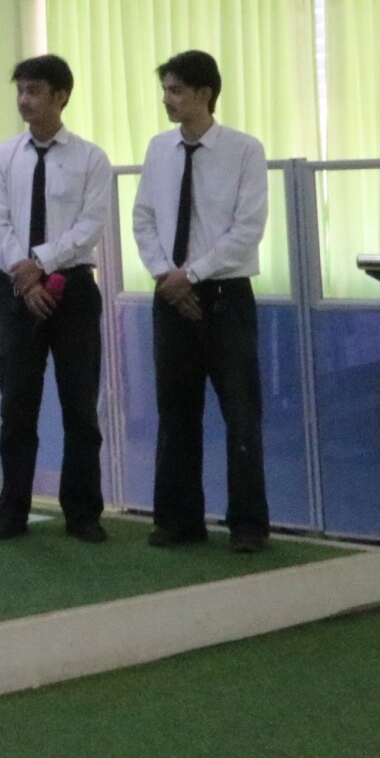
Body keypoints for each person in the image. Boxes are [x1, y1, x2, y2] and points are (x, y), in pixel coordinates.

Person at [131, 49, 271, 552]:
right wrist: (166, 276)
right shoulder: (158, 149)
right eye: (165, 90)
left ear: (205, 94)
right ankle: (177, 520)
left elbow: (247, 229)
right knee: (175, 412)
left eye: (176, 90)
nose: (167, 100)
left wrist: (190, 275)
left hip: (225, 295)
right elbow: (143, 219)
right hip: (170, 294)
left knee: (241, 414)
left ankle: (248, 525)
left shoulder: (244, 150)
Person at [0, 55, 114, 543]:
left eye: (34, 90)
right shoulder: (2, 158)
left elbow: (89, 226)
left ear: (61, 96)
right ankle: (12, 511)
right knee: (17, 407)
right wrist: (25, 274)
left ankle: (82, 513)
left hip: (72, 291)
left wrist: (41, 262)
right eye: (20, 90)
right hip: (18, 292)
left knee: (80, 408)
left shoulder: (91, 159)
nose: (24, 100)